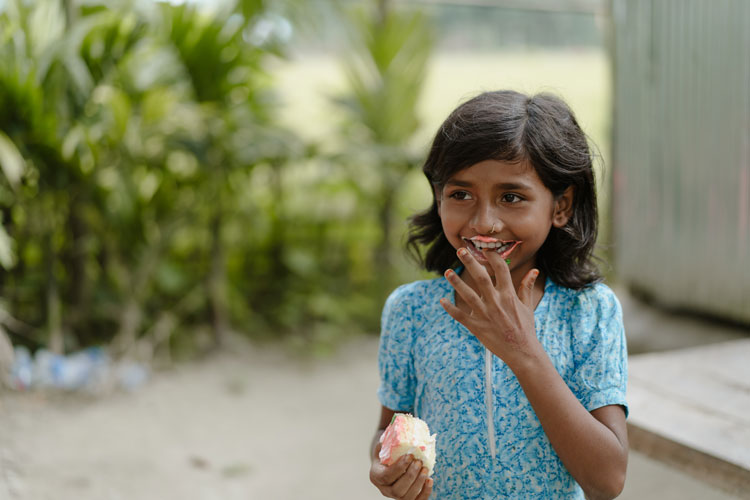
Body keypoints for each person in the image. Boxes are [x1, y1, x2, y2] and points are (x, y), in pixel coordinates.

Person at [368, 90, 628, 500]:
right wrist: (385, 467)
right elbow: (391, 429)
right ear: (439, 199)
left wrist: (524, 350)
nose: (484, 222)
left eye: (511, 197)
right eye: (460, 194)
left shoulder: (588, 312)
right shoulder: (412, 311)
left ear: (560, 206)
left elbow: (608, 479)